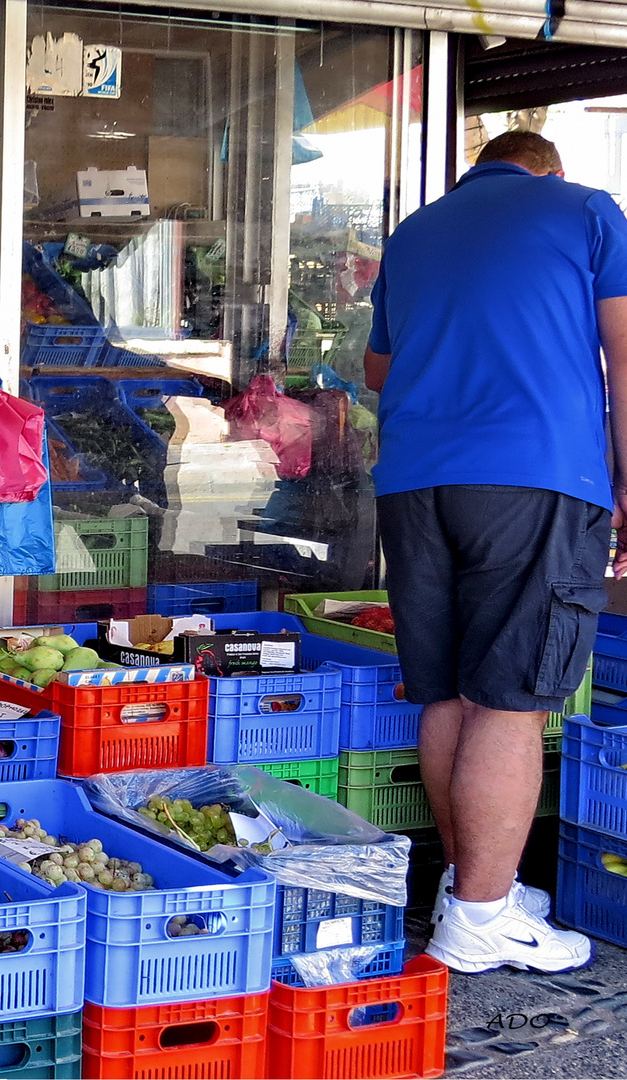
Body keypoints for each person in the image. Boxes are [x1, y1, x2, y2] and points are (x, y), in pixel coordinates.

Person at [365, 129, 627, 973]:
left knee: (447, 692)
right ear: (549, 169)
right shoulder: (586, 209)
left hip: (416, 483)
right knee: (512, 700)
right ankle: (479, 915)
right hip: (536, 473)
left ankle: (475, 890)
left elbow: (379, 368)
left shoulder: (415, 232)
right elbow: (624, 354)